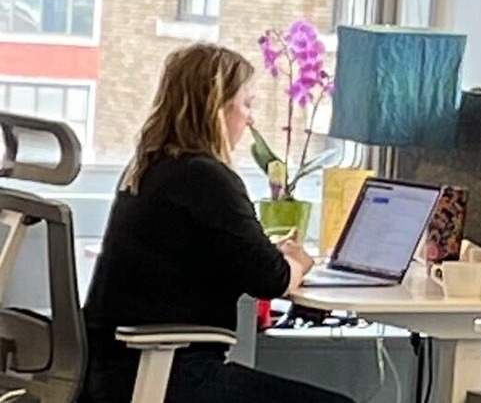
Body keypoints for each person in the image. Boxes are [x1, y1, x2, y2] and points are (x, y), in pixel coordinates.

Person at [79, 43, 355, 403]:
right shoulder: (207, 177)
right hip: (164, 374)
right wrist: (298, 260)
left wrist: (264, 255)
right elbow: (271, 279)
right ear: (217, 107)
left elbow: (209, 254)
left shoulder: (148, 169)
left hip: (107, 373)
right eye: (246, 104)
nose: (250, 118)